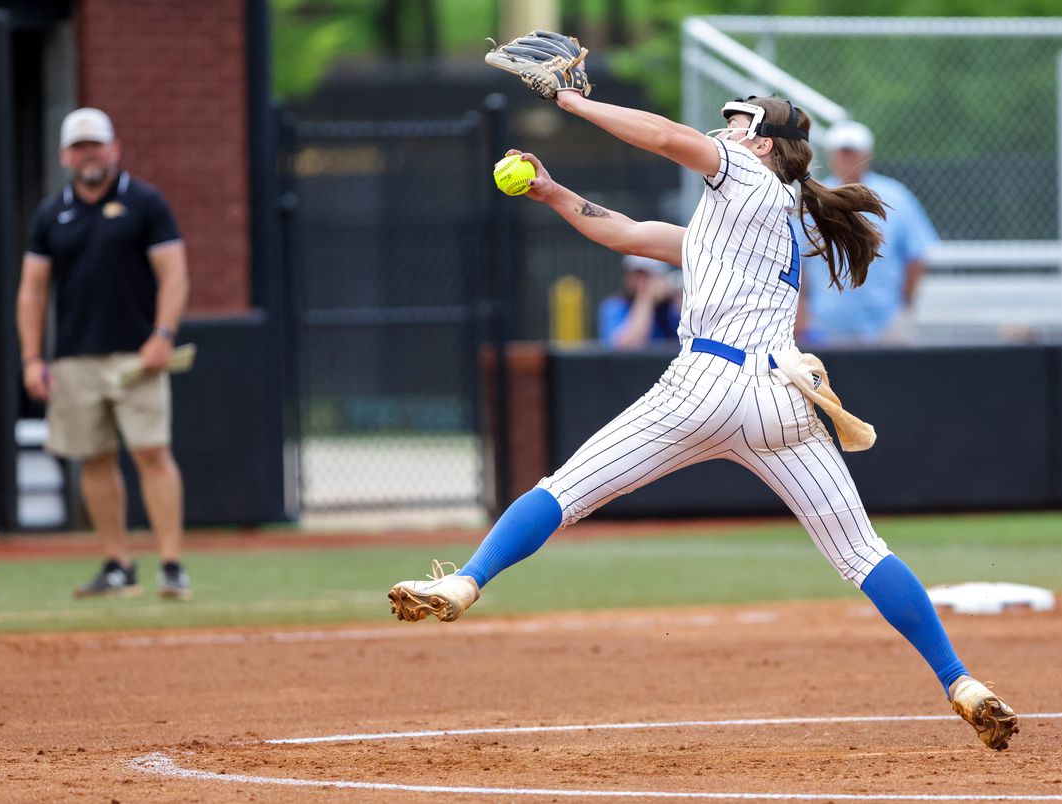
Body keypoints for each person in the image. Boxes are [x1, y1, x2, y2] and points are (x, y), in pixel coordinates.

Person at [388, 79, 1019, 750]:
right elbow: (628, 233)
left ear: (765, 143)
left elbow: (664, 137)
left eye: (736, 122)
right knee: (864, 554)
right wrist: (551, 191)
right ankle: (960, 680)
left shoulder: (748, 174)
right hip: (782, 399)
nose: (723, 132)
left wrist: (572, 103)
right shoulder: (742, 221)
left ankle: (466, 581)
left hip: (707, 383)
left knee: (563, 492)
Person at [16, 108, 193, 600]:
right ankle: (118, 563)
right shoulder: (52, 214)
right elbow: (32, 291)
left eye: (95, 145)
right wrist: (33, 358)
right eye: (78, 147)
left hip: (137, 355)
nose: (88, 154)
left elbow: (174, 273)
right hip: (74, 358)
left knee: (152, 451)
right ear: (64, 156)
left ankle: (172, 563)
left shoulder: (145, 202)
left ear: (114, 148)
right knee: (93, 459)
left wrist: (163, 333)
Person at [796, 121, 938, 344]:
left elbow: (917, 255)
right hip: (825, 323)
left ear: (867, 155)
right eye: (841, 153)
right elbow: (799, 259)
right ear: (831, 156)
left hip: (885, 322)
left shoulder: (896, 197)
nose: (847, 160)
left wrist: (903, 306)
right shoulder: (813, 200)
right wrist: (802, 308)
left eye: (852, 153)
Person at [597, 255, 682, 348]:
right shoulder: (616, 305)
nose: (638, 281)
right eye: (634, 275)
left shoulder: (671, 305)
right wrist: (646, 297)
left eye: (645, 275)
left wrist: (679, 299)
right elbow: (625, 346)